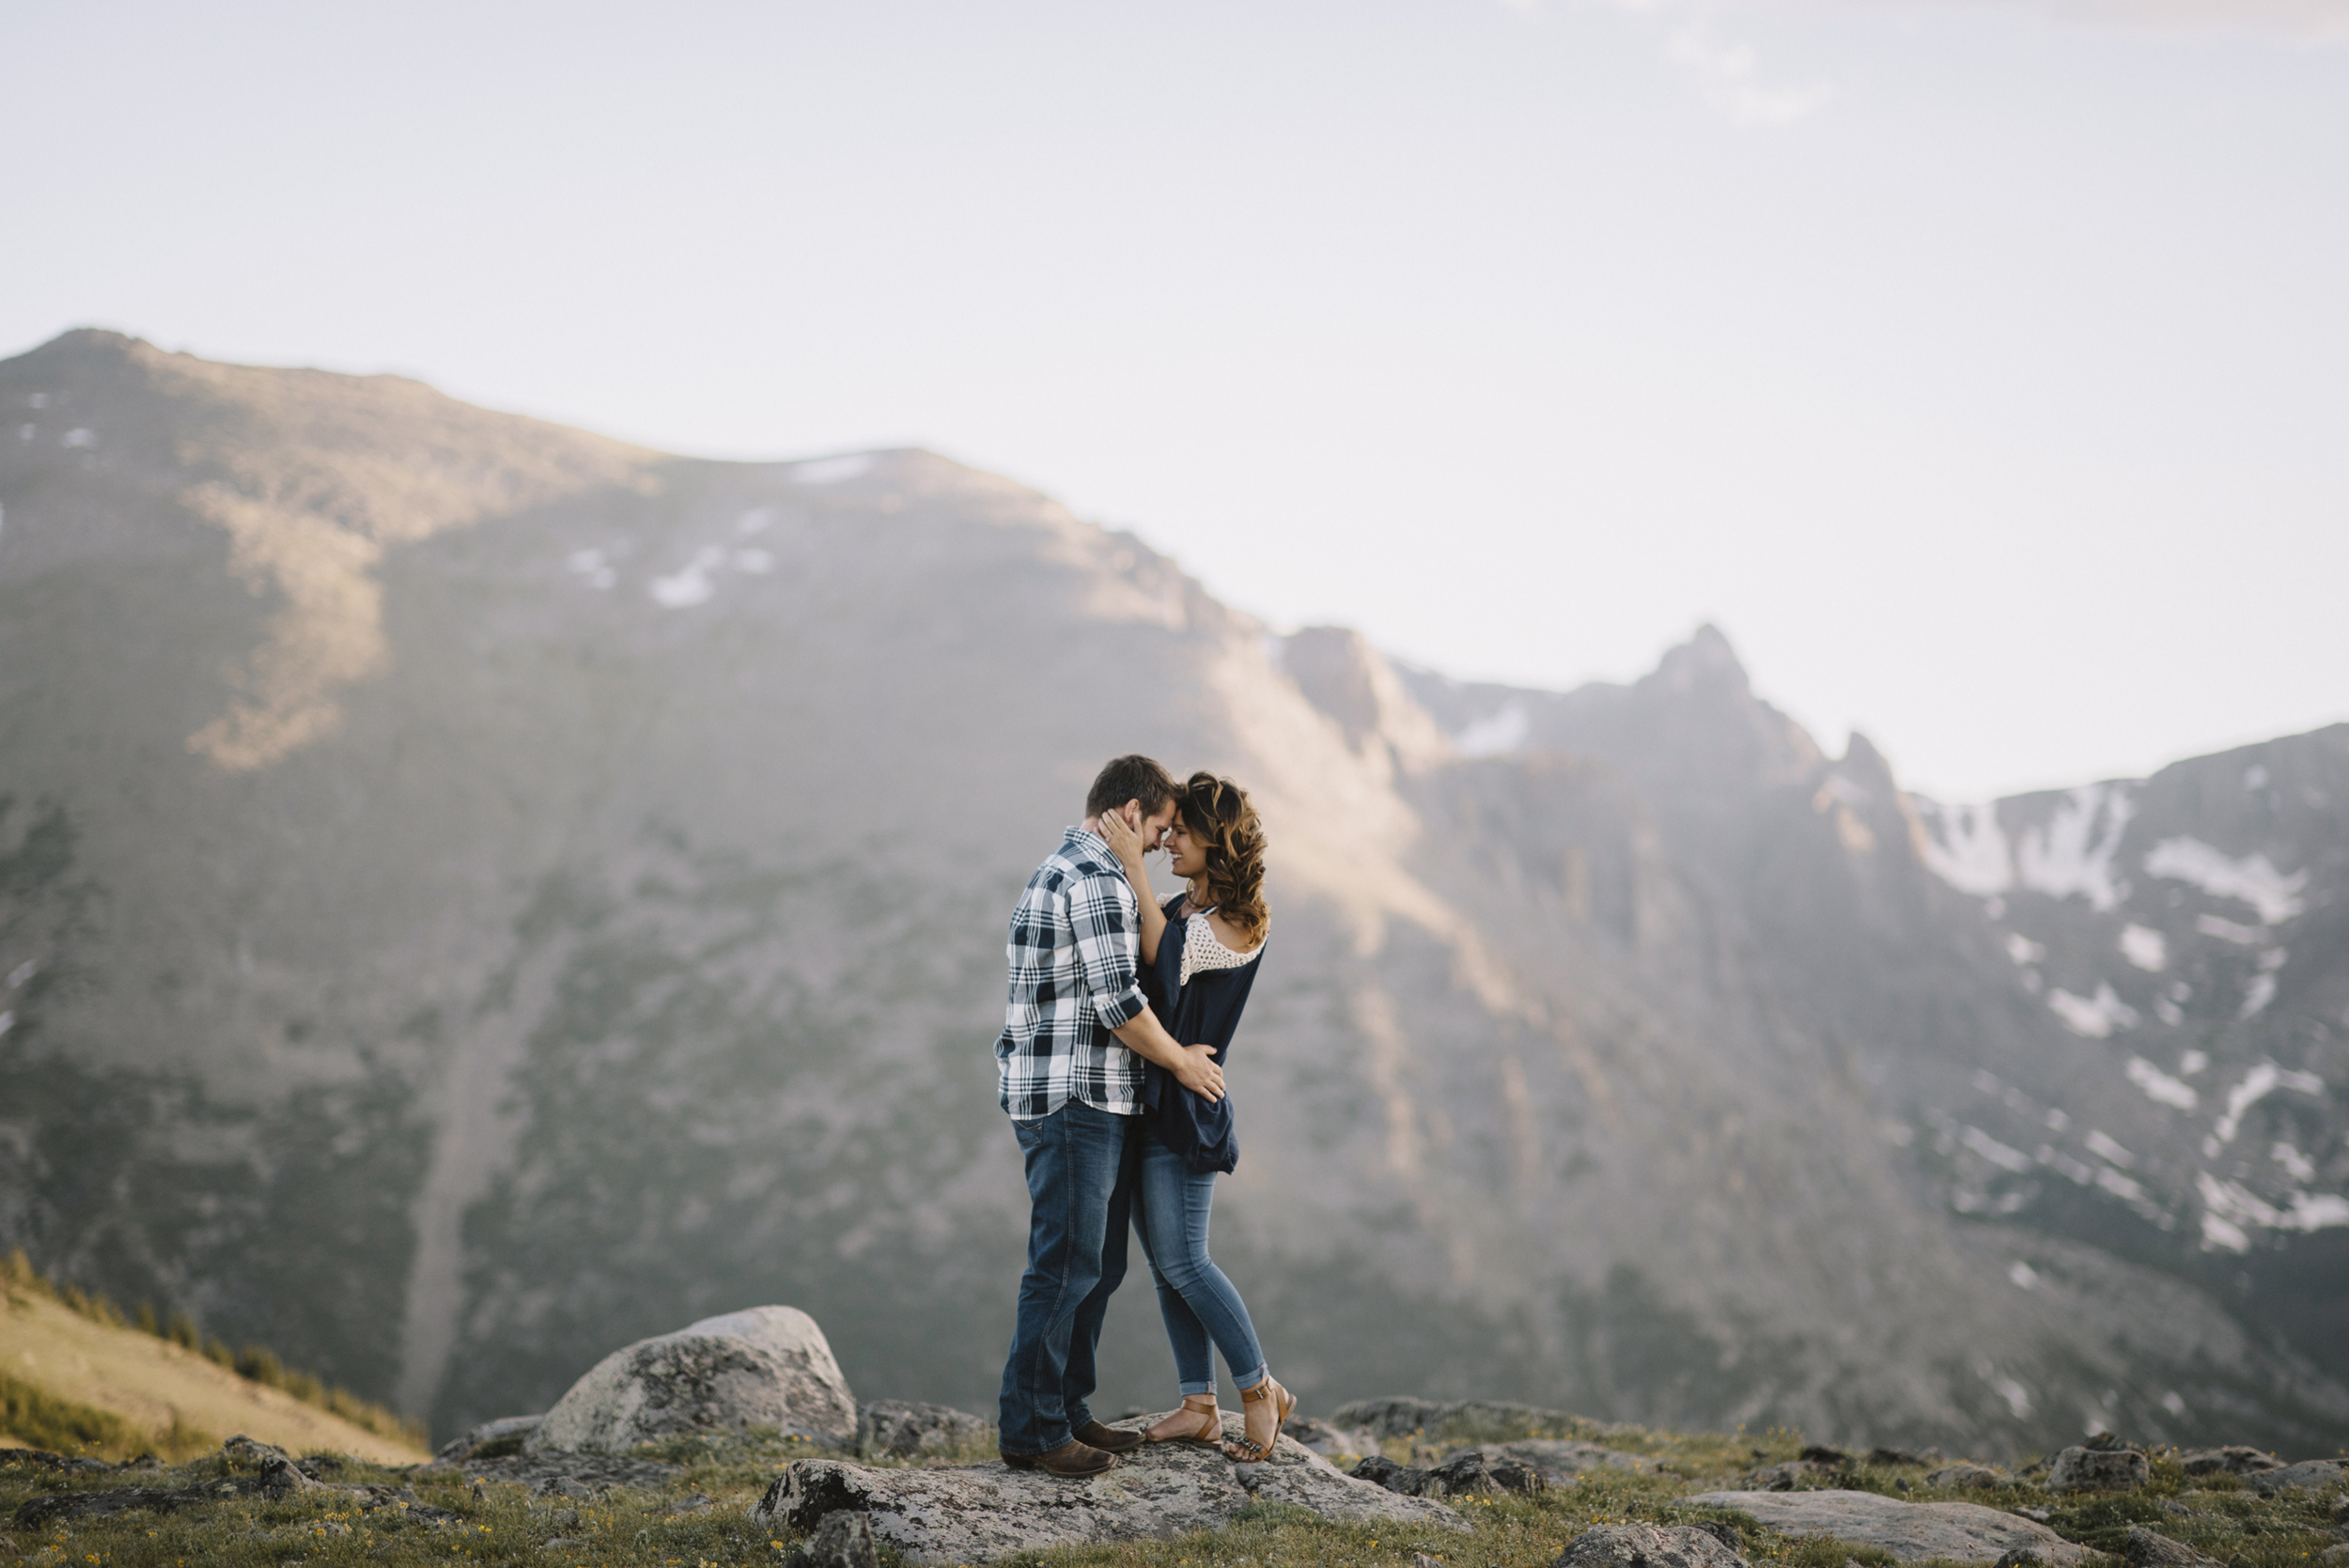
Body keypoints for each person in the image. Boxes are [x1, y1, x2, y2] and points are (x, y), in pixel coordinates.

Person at [995, 754, 1230, 1477]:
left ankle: (1065, 1409)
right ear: (1131, 812)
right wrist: (1184, 1062)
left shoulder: (1078, 867)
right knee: (1066, 1264)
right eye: (1159, 826)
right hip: (1075, 1098)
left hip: (1092, 1096)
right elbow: (1119, 1004)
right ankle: (1032, 1430)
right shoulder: (1093, 879)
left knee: (1100, 1264)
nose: (1163, 841)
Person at [1096, 770, 1295, 1464]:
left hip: (1189, 1104)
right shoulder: (1184, 905)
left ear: (1217, 838)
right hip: (1157, 1097)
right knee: (1166, 1266)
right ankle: (1197, 1403)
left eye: (1181, 830)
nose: (1168, 839)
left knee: (1187, 1259)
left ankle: (1259, 1386)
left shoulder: (1237, 922)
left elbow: (1164, 957)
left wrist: (1130, 867)